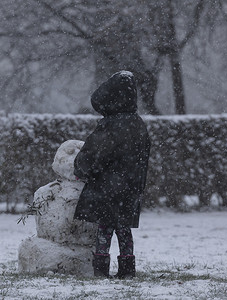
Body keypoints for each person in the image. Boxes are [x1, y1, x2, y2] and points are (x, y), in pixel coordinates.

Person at [73, 70, 151, 279]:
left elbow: (94, 153)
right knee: (124, 229)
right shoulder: (138, 124)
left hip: (107, 187)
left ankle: (100, 268)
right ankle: (127, 269)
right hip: (130, 187)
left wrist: (81, 168)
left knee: (105, 228)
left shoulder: (111, 124)